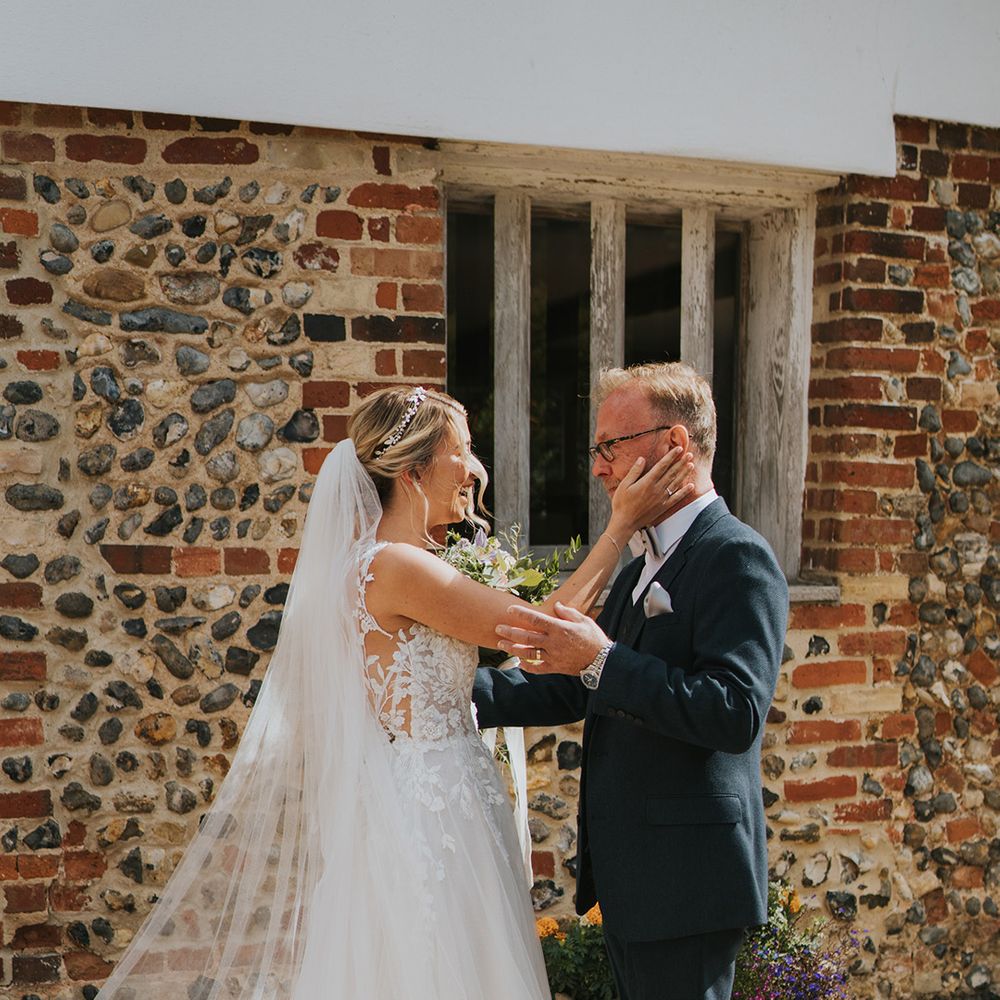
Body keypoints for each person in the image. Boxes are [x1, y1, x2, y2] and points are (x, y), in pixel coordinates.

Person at [95, 384, 694, 1000]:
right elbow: (538, 634)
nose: (475, 469)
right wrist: (620, 526)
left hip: (432, 791)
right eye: (461, 452)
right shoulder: (397, 567)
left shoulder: (384, 561)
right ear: (413, 471)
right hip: (431, 808)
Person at [473, 362, 789, 1000]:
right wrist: (453, 696)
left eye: (609, 448)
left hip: (687, 885)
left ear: (675, 446)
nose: (597, 468)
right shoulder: (641, 558)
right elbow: (574, 684)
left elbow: (734, 712)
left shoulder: (737, 556)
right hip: (635, 880)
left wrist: (604, 658)